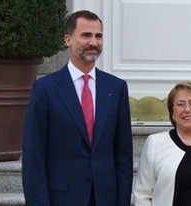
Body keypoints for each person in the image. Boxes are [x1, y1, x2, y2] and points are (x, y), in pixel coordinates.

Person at [22, 10, 133, 206]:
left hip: (105, 198)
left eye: (98, 36)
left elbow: (123, 156)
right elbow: (34, 158)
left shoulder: (116, 88)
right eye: (86, 35)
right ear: (68, 40)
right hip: (61, 198)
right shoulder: (45, 89)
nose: (94, 42)